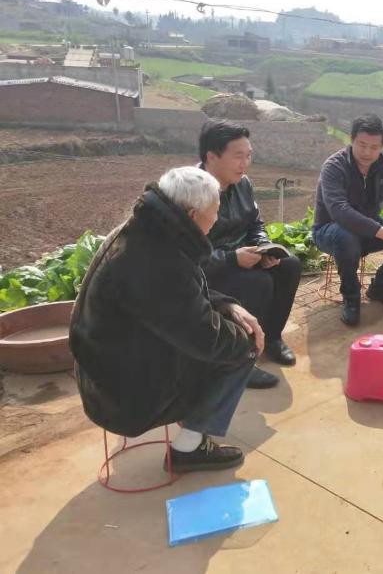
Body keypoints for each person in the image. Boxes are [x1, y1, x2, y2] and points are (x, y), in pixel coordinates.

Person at [70, 167, 262, 473]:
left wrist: (228, 306)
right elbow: (203, 335)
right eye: (215, 212)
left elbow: (184, 294)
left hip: (108, 365)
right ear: (193, 214)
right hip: (121, 394)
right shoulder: (157, 260)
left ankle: (191, 424)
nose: (216, 220)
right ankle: (189, 448)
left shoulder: (146, 230)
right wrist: (249, 339)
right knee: (243, 345)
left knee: (231, 330)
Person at [199, 120, 303, 390]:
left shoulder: (242, 184)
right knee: (259, 282)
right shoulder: (193, 192)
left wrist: (264, 247)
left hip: (243, 257)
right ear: (212, 157)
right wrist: (231, 258)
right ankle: (240, 358)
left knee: (289, 265)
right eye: (238, 156)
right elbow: (189, 255)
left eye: (248, 156)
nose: (244, 163)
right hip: (208, 273)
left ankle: (272, 338)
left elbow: (255, 222)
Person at [313, 114, 383, 326]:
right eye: (362, 145)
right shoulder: (334, 166)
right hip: (330, 232)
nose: (367, 152)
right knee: (346, 236)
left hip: (370, 230)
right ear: (351, 140)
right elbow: (339, 211)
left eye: (374, 147)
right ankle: (351, 297)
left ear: (382, 147)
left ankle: (382, 287)